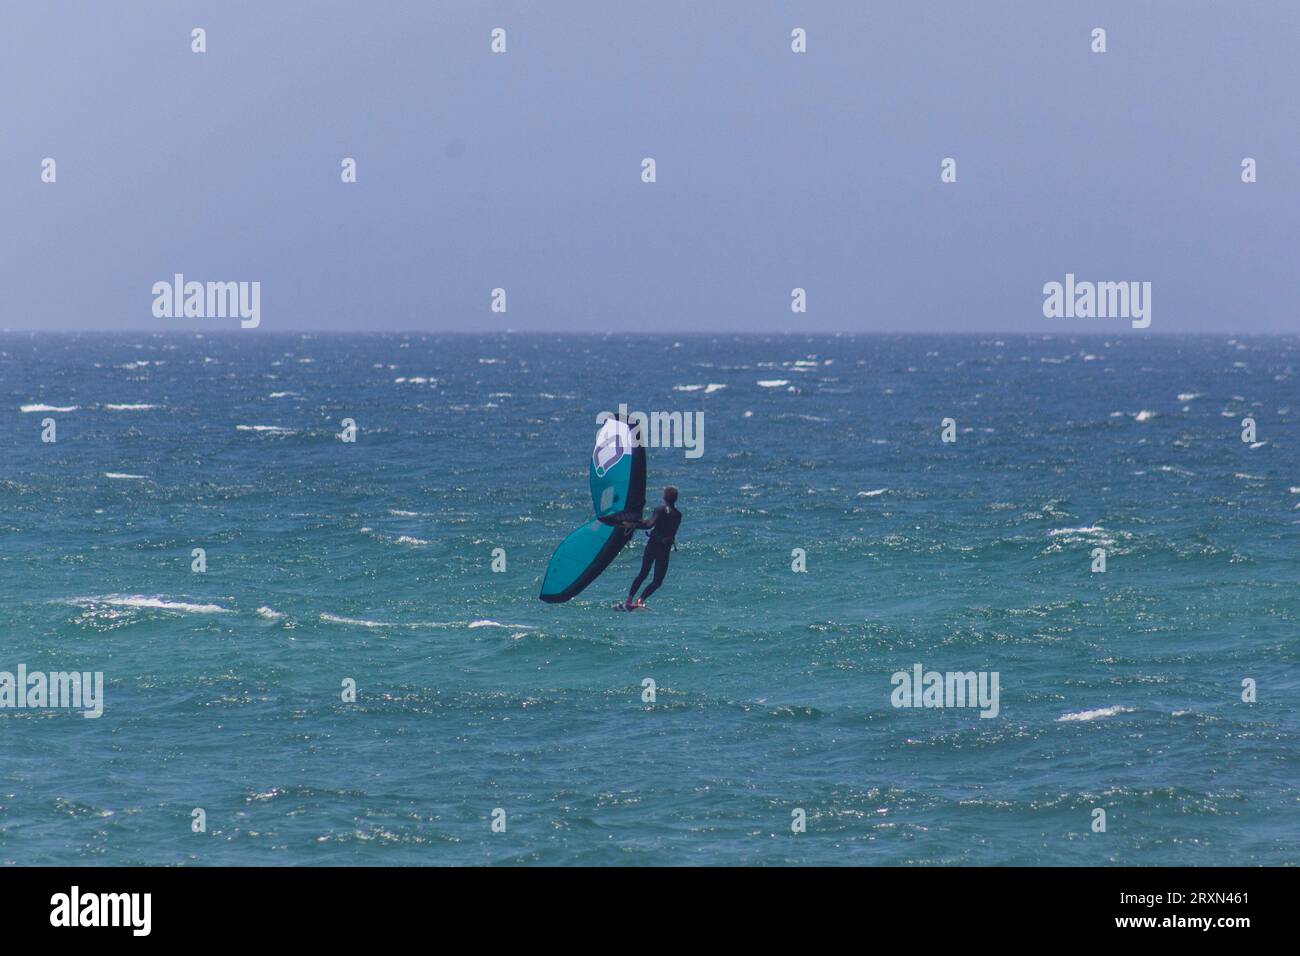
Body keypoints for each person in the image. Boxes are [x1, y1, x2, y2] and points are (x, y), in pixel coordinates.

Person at [623, 486, 682, 610]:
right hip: (664, 549)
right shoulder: (678, 515)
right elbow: (671, 533)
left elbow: (649, 525)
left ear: (664, 497)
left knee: (643, 573)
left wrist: (631, 525)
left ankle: (629, 600)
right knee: (658, 581)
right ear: (675, 499)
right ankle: (641, 600)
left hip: (653, 545)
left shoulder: (660, 510)